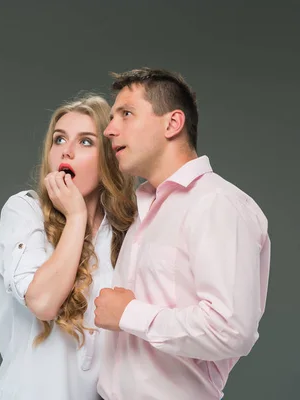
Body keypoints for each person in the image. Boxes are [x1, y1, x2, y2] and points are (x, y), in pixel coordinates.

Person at [93, 68, 271, 400]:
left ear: (172, 124)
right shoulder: (144, 210)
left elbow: (231, 330)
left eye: (126, 114)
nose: (109, 130)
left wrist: (130, 314)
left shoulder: (217, 204)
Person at [0, 94, 136, 399]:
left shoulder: (127, 230)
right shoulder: (23, 211)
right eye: (59, 139)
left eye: (85, 142)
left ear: (109, 157)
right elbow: (43, 302)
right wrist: (77, 216)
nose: (66, 151)